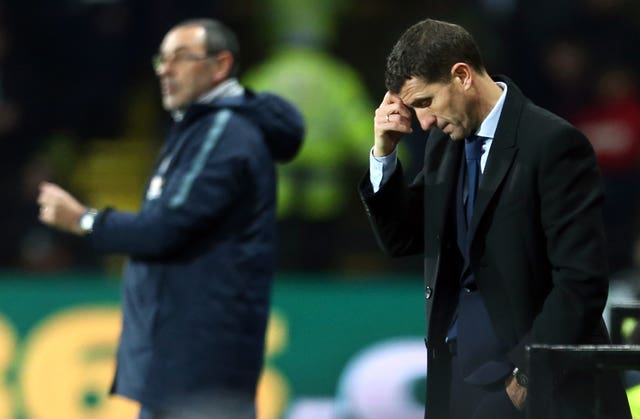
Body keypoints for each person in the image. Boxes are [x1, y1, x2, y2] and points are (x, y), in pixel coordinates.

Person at [358, 18, 630, 419]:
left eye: (425, 103)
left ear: (462, 75)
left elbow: (580, 283)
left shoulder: (552, 144)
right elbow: (403, 239)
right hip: (458, 377)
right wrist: (384, 155)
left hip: (535, 384)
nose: (424, 122)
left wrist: (523, 382)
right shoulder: (443, 143)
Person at [37, 18, 304, 419]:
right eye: (161, 59)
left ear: (220, 66)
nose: (165, 69)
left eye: (181, 58)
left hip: (202, 369)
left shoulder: (224, 132)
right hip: (180, 367)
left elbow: (164, 229)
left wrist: (84, 220)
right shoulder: (199, 129)